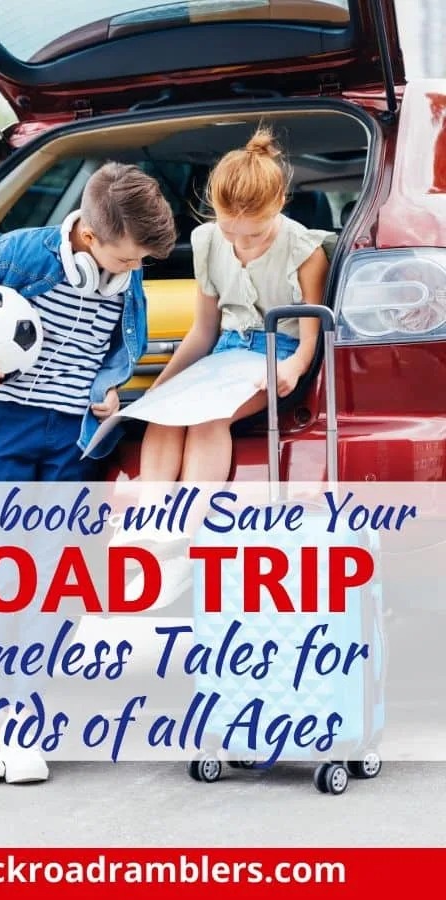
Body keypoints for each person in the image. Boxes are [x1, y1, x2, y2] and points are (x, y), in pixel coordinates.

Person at [0, 162, 176, 783]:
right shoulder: (25, 253)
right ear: (89, 239)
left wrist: (106, 389)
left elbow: (115, 348)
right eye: (129, 259)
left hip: (75, 442)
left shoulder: (123, 280)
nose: (135, 271)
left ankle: (19, 715)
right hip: (10, 430)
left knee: (59, 575)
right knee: (2, 567)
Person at [118, 126, 334, 604]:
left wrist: (294, 368)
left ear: (279, 203)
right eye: (230, 229)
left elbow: (309, 338)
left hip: (276, 352)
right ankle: (151, 527)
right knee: (163, 412)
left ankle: (182, 531)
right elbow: (203, 331)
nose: (243, 242)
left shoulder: (305, 250)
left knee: (208, 417)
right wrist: (162, 386)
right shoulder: (206, 240)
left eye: (254, 233)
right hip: (224, 353)